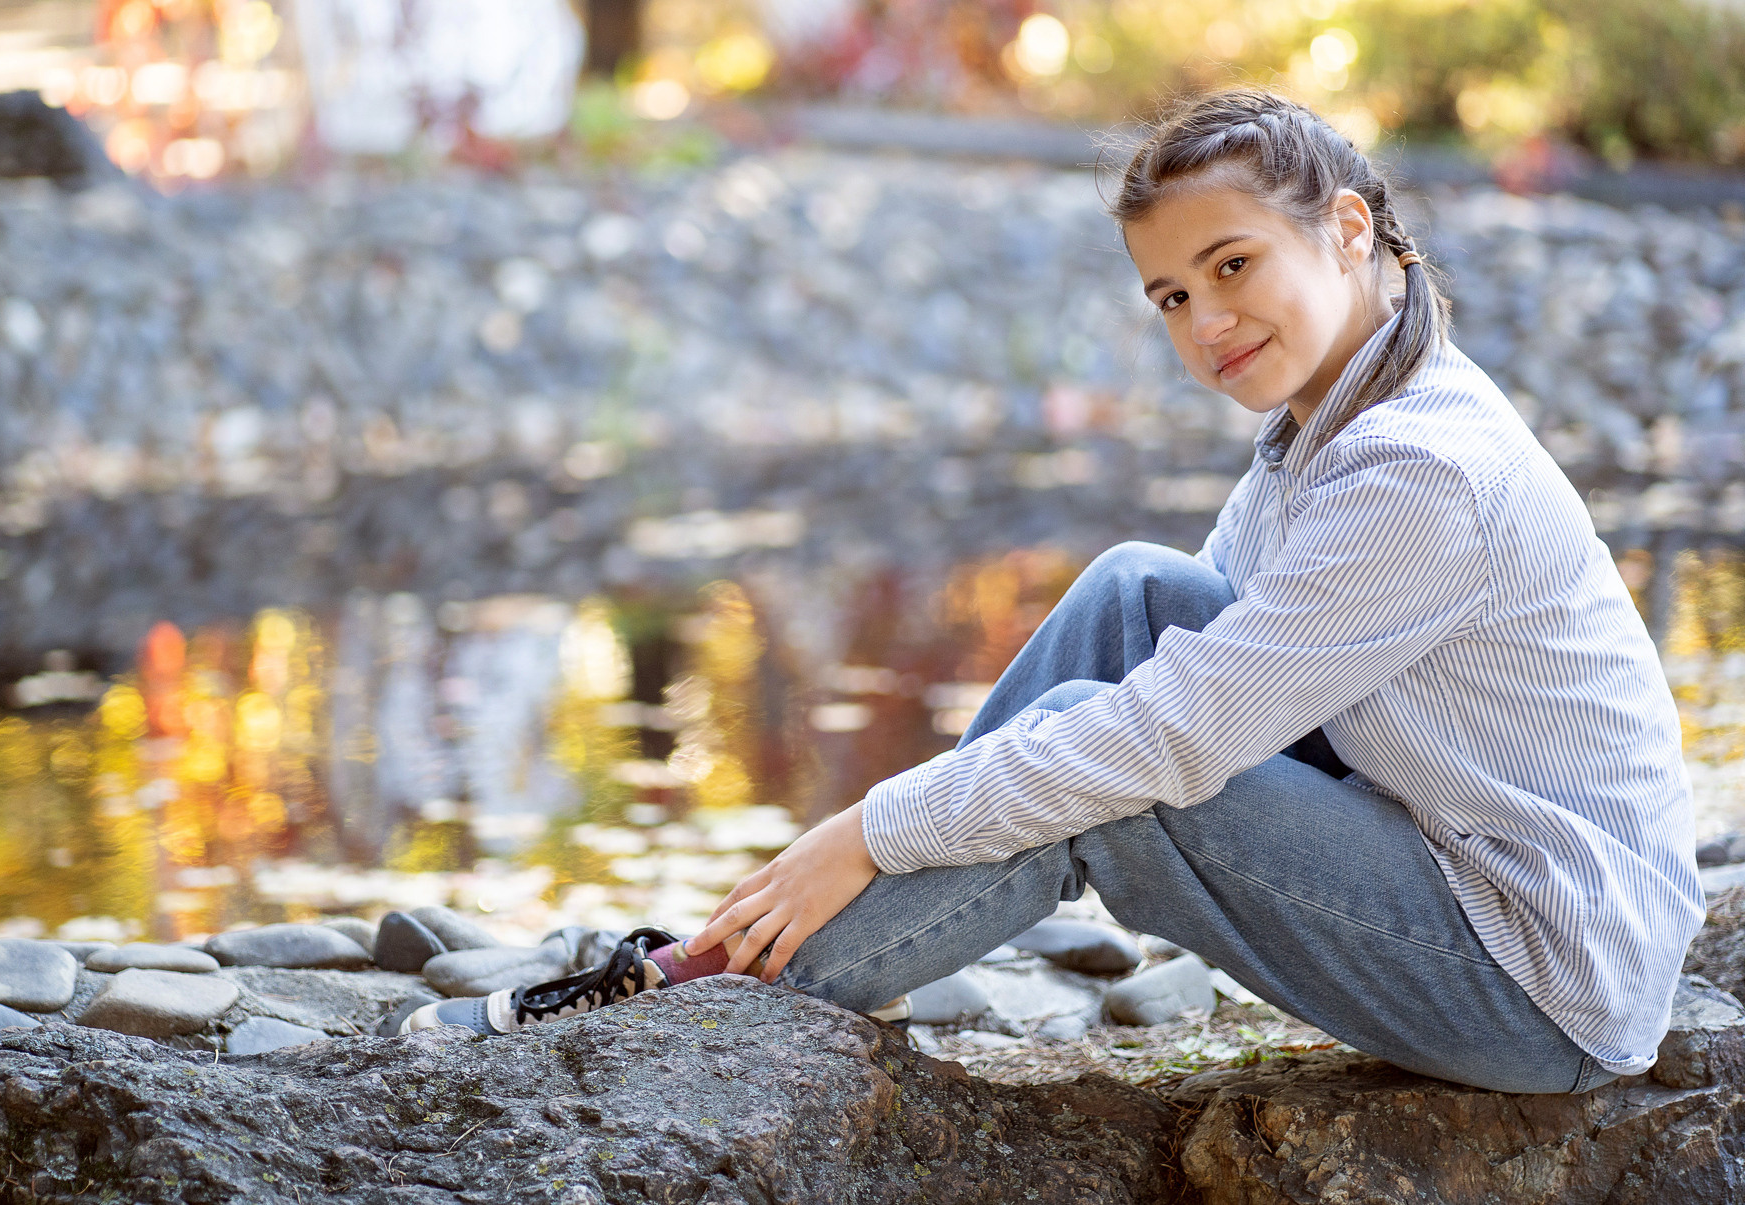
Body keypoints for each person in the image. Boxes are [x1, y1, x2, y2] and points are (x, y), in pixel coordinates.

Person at [411, 89, 1701, 1094]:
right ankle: (798, 946)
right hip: (1451, 854)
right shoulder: (1343, 413)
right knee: (1132, 594)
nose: (1207, 325)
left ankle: (738, 990)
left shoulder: (1419, 472)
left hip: (1545, 980)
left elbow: (1172, 738)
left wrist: (874, 826)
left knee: (1124, 798)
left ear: (1349, 229)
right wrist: (912, 833)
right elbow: (1185, 664)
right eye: (1173, 297)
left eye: (1234, 266)